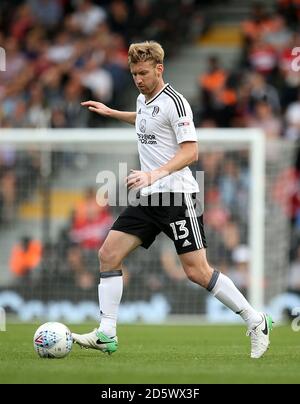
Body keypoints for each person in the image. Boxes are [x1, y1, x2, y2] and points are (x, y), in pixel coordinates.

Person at [72, 41, 273, 359]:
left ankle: (256, 320)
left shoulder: (176, 103)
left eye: (143, 73)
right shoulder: (142, 99)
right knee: (108, 254)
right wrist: (112, 113)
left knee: (197, 272)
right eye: (133, 73)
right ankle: (106, 334)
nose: (137, 79)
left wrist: (154, 174)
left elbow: (191, 151)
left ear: (159, 69)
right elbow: (144, 118)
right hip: (149, 198)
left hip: (179, 197)